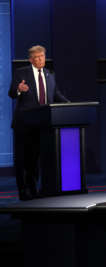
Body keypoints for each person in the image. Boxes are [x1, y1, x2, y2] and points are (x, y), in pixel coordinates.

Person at [8, 45, 69, 200]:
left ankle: (34, 190)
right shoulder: (21, 73)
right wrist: (19, 89)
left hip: (42, 125)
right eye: (37, 57)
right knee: (23, 160)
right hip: (24, 125)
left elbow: (56, 94)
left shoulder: (50, 74)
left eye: (42, 56)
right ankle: (23, 191)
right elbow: (12, 93)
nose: (40, 59)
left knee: (35, 160)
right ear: (31, 59)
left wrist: (70, 105)